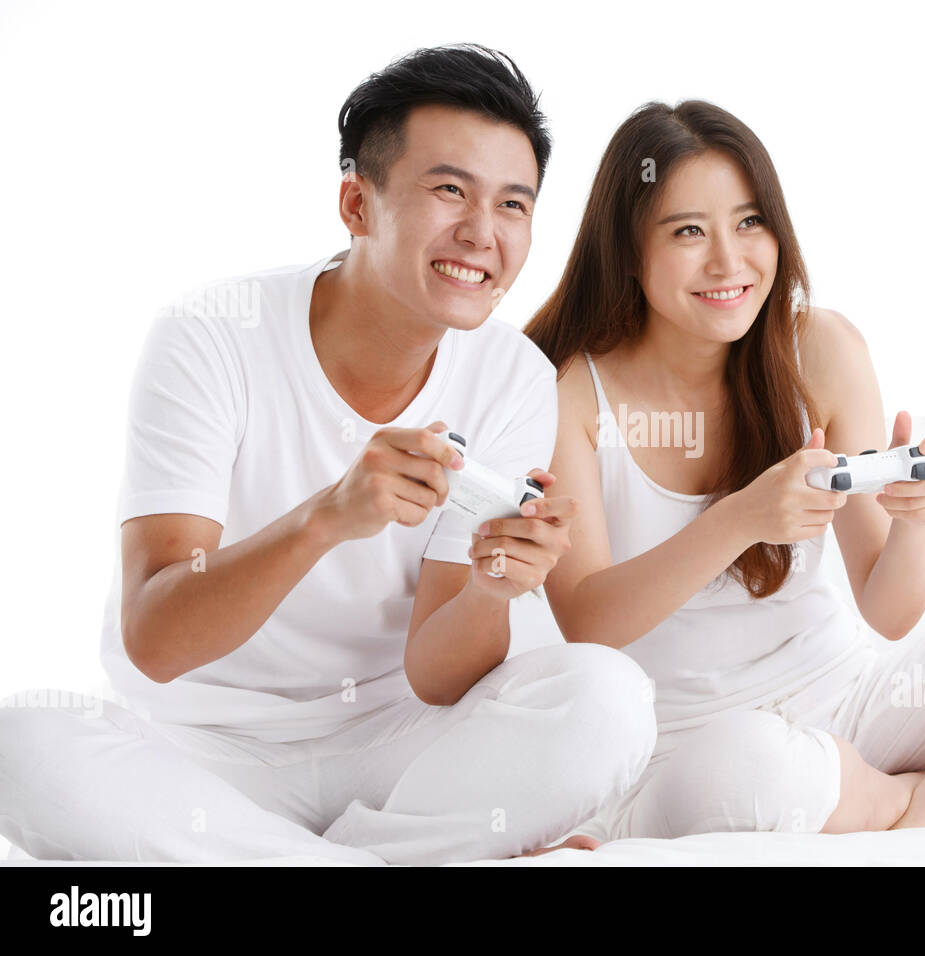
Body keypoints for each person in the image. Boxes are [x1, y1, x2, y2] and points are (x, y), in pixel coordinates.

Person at [0, 44, 656, 865]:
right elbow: (156, 640)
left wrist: (493, 590)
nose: (482, 234)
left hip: (393, 751)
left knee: (609, 698)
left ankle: (295, 860)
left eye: (513, 205)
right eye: (449, 189)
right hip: (199, 751)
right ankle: (391, 859)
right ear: (358, 203)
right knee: (22, 741)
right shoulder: (210, 337)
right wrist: (323, 520)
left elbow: (438, 678)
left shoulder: (512, 377)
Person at [523, 100, 925, 839]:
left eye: (749, 222)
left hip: (853, 703)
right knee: (756, 767)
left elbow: (889, 611)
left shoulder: (822, 351)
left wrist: (914, 523)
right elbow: (587, 622)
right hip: (693, 747)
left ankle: (917, 814)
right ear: (627, 247)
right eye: (688, 232)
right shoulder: (572, 395)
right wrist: (741, 517)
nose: (728, 261)